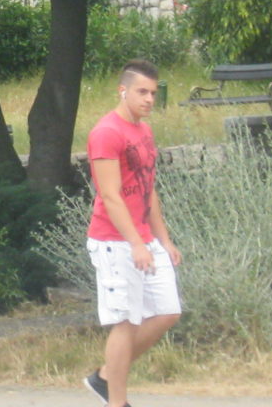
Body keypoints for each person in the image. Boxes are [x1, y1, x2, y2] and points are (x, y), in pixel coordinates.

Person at [82, 60, 181, 407]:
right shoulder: (106, 132)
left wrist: (164, 240)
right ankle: (117, 402)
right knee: (126, 322)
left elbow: (147, 189)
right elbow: (110, 196)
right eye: (142, 92)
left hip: (144, 239)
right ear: (122, 91)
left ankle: (105, 376)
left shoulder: (144, 131)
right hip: (114, 243)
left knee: (168, 312)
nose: (149, 99)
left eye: (153, 93)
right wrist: (136, 244)